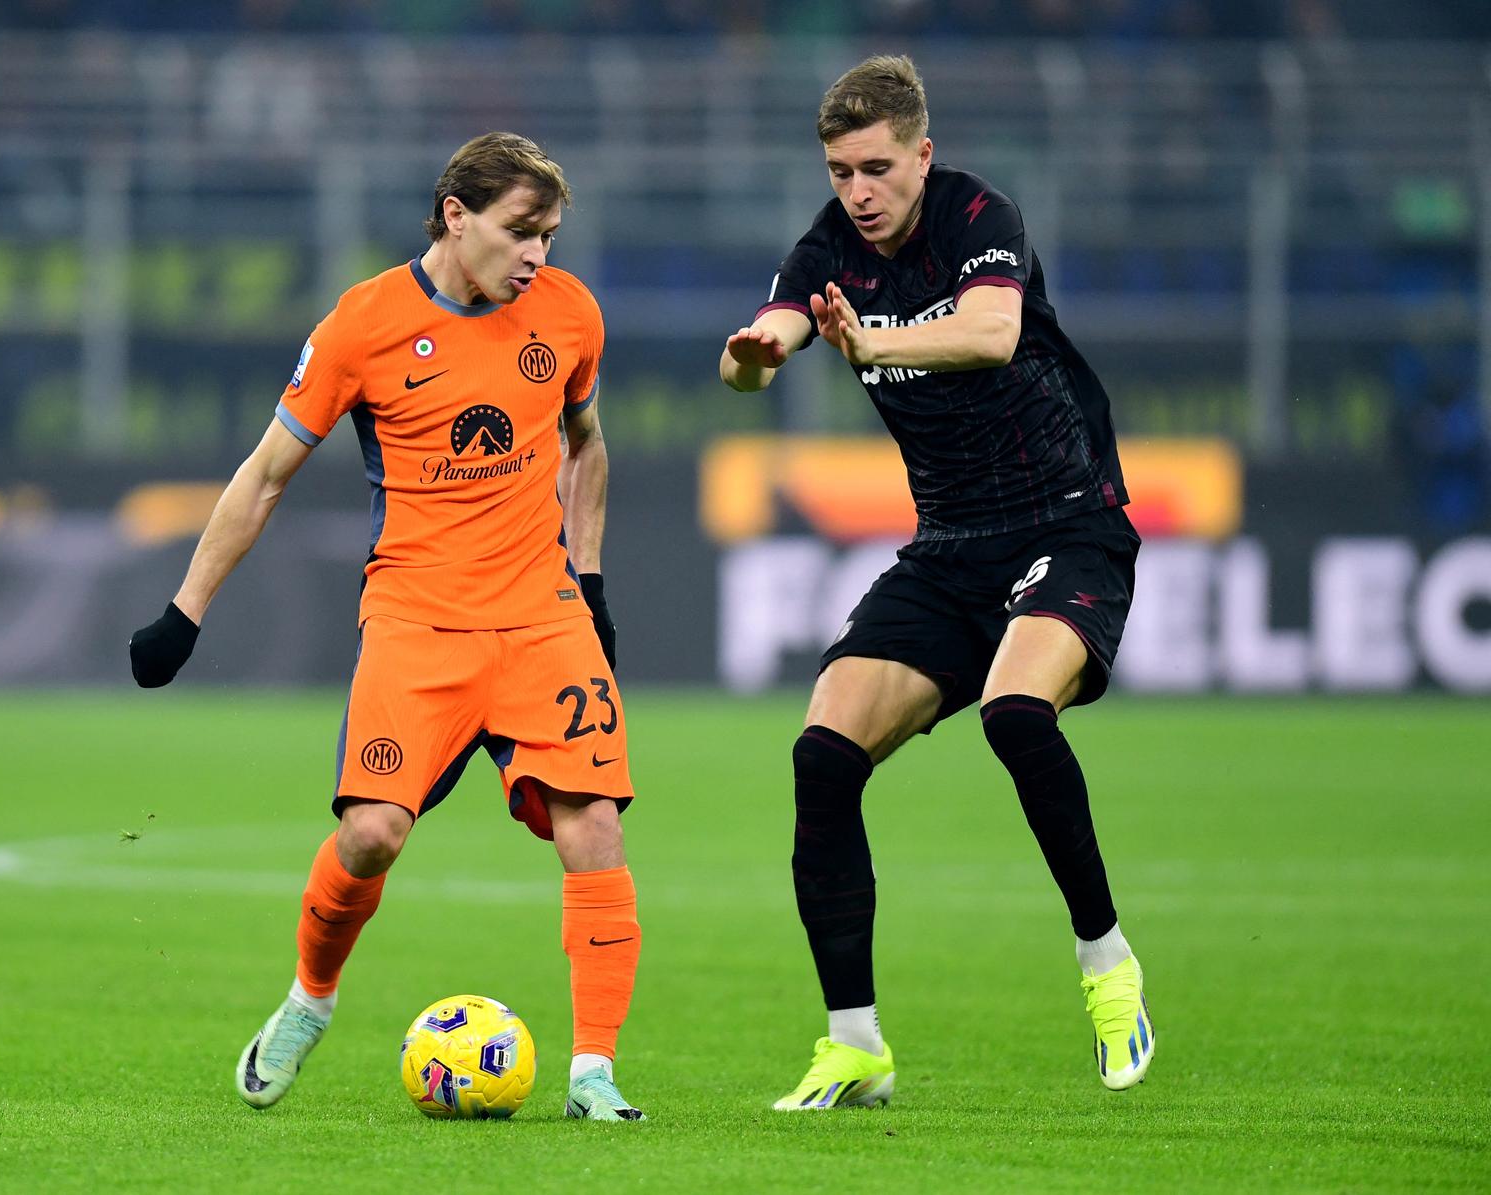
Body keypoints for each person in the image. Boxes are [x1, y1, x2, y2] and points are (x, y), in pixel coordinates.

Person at [129, 132, 645, 1122]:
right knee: (370, 833)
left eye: (550, 235)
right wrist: (184, 612)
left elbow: (585, 446)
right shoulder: (363, 325)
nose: (537, 254)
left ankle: (592, 1073)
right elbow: (265, 475)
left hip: (540, 616)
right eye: (520, 231)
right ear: (456, 215)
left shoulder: (570, 314)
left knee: (595, 826)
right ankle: (309, 1000)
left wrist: (591, 582)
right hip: (418, 618)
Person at [719, 55, 1153, 1109]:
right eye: (838, 171)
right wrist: (753, 356)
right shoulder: (827, 248)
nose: (857, 192)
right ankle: (854, 1043)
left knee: (1014, 711)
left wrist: (874, 339)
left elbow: (992, 329)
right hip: (950, 545)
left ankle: (1107, 966)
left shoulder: (975, 214)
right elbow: (768, 334)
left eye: (875, 167)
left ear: (921, 153)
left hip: (1068, 526)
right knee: (821, 754)